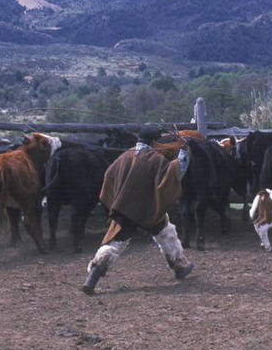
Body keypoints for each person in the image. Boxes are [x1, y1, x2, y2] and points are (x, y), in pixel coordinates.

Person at [82, 126, 193, 294]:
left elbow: (109, 176)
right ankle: (178, 265)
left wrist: (116, 202)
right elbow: (173, 175)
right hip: (148, 210)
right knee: (165, 232)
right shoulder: (156, 160)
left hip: (123, 209)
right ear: (154, 142)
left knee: (115, 243)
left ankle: (92, 278)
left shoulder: (123, 156)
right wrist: (185, 153)